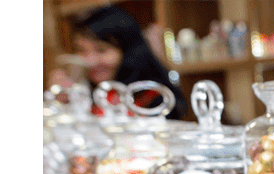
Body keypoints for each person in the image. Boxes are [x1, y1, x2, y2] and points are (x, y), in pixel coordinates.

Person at [48, 5, 187, 120]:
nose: (90, 61)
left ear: (129, 50)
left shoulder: (155, 97)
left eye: (102, 50)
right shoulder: (86, 92)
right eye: (81, 50)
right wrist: (60, 103)